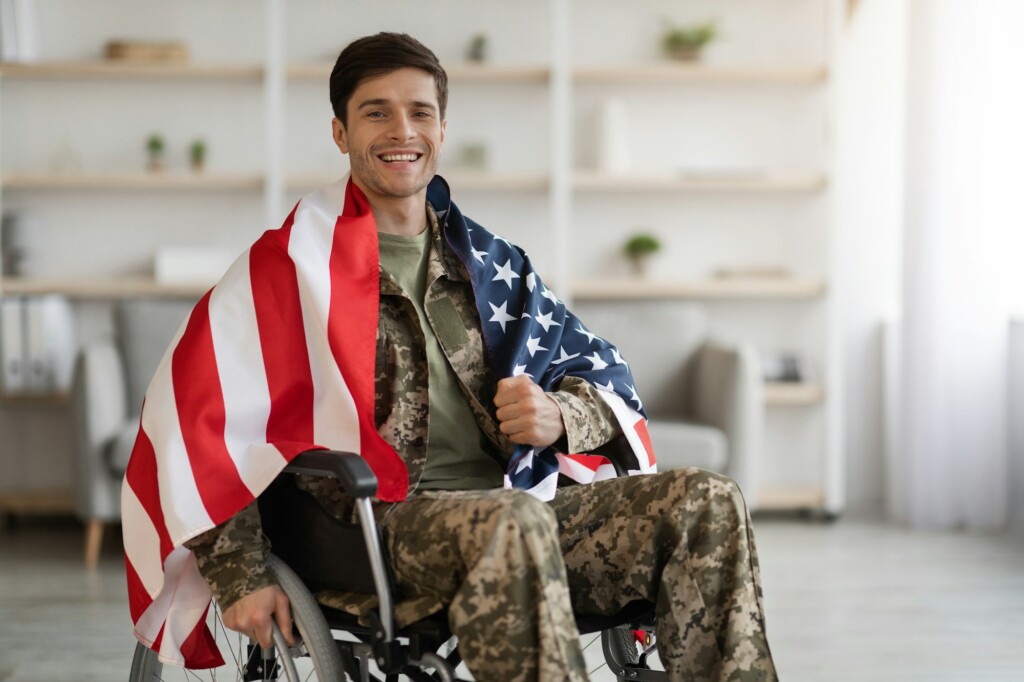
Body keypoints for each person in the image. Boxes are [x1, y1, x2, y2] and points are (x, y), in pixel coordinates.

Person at [123, 32, 776, 681]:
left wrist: (557, 416)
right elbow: (200, 424)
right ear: (339, 133)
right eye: (375, 111)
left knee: (705, 498)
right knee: (510, 521)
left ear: (441, 129)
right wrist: (240, 575)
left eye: (420, 112)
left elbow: (597, 368)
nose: (400, 129)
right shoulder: (285, 269)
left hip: (509, 502)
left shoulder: (492, 265)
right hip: (364, 529)